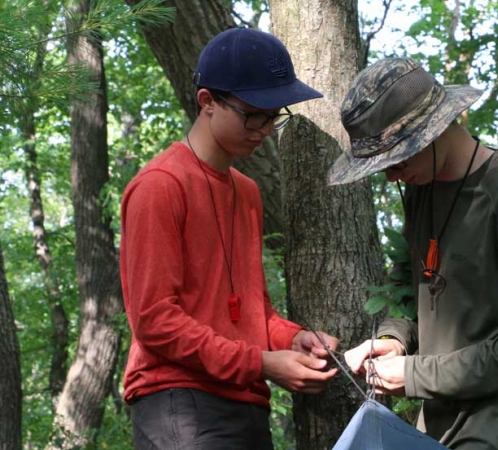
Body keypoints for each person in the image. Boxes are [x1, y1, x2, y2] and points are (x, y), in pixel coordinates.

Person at [331, 57, 498, 449]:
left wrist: (415, 376)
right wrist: (395, 339)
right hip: (436, 435)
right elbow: (410, 287)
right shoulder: (420, 188)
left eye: (397, 158)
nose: (391, 175)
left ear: (432, 132)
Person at [120, 27, 339, 449]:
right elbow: (154, 321)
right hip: (178, 403)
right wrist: (260, 362)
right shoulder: (160, 186)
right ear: (208, 102)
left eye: (275, 115)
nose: (266, 128)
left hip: (245, 401)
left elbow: (251, 309)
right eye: (254, 113)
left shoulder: (247, 192)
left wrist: (291, 338)